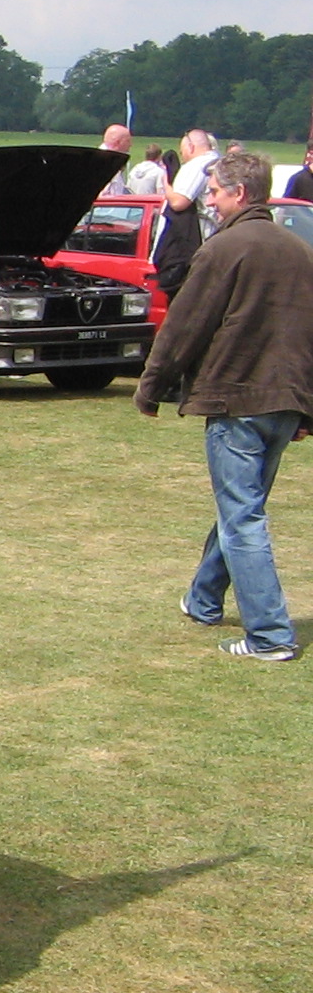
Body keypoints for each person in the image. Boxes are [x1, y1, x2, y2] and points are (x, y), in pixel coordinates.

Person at [135, 149, 313, 661]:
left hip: (239, 401)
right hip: (283, 404)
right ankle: (203, 599)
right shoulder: (299, 251)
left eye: (214, 191)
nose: (207, 200)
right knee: (242, 506)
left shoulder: (224, 249)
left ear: (239, 194)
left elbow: (185, 326)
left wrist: (150, 389)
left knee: (242, 518)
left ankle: (270, 637)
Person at [152, 129, 219, 302]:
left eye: (182, 152)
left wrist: (167, 185)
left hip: (193, 248)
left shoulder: (198, 165)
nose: (183, 158)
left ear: (191, 147)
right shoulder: (219, 163)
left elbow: (179, 202)